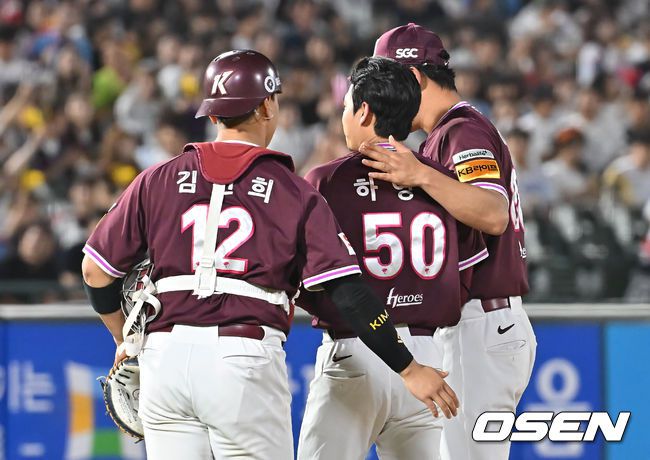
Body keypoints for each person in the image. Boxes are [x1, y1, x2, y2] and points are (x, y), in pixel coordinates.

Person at [80, 49, 454, 460]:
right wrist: (407, 367)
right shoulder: (294, 190)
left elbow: (95, 271)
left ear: (213, 113)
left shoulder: (157, 178)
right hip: (242, 356)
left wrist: (125, 339)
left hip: (163, 358)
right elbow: (348, 294)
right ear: (266, 106)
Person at [297, 56, 486, 460]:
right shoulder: (441, 179)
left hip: (356, 351)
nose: (344, 116)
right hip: (429, 358)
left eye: (346, 106)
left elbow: (307, 282)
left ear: (364, 111)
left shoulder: (327, 180)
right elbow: (468, 273)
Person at [367, 24, 537, 460]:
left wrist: (422, 175)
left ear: (415, 77)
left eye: (388, 84)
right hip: (481, 323)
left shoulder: (462, 130)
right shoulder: (448, 132)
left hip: (480, 323)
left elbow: (493, 213)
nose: (384, 99)